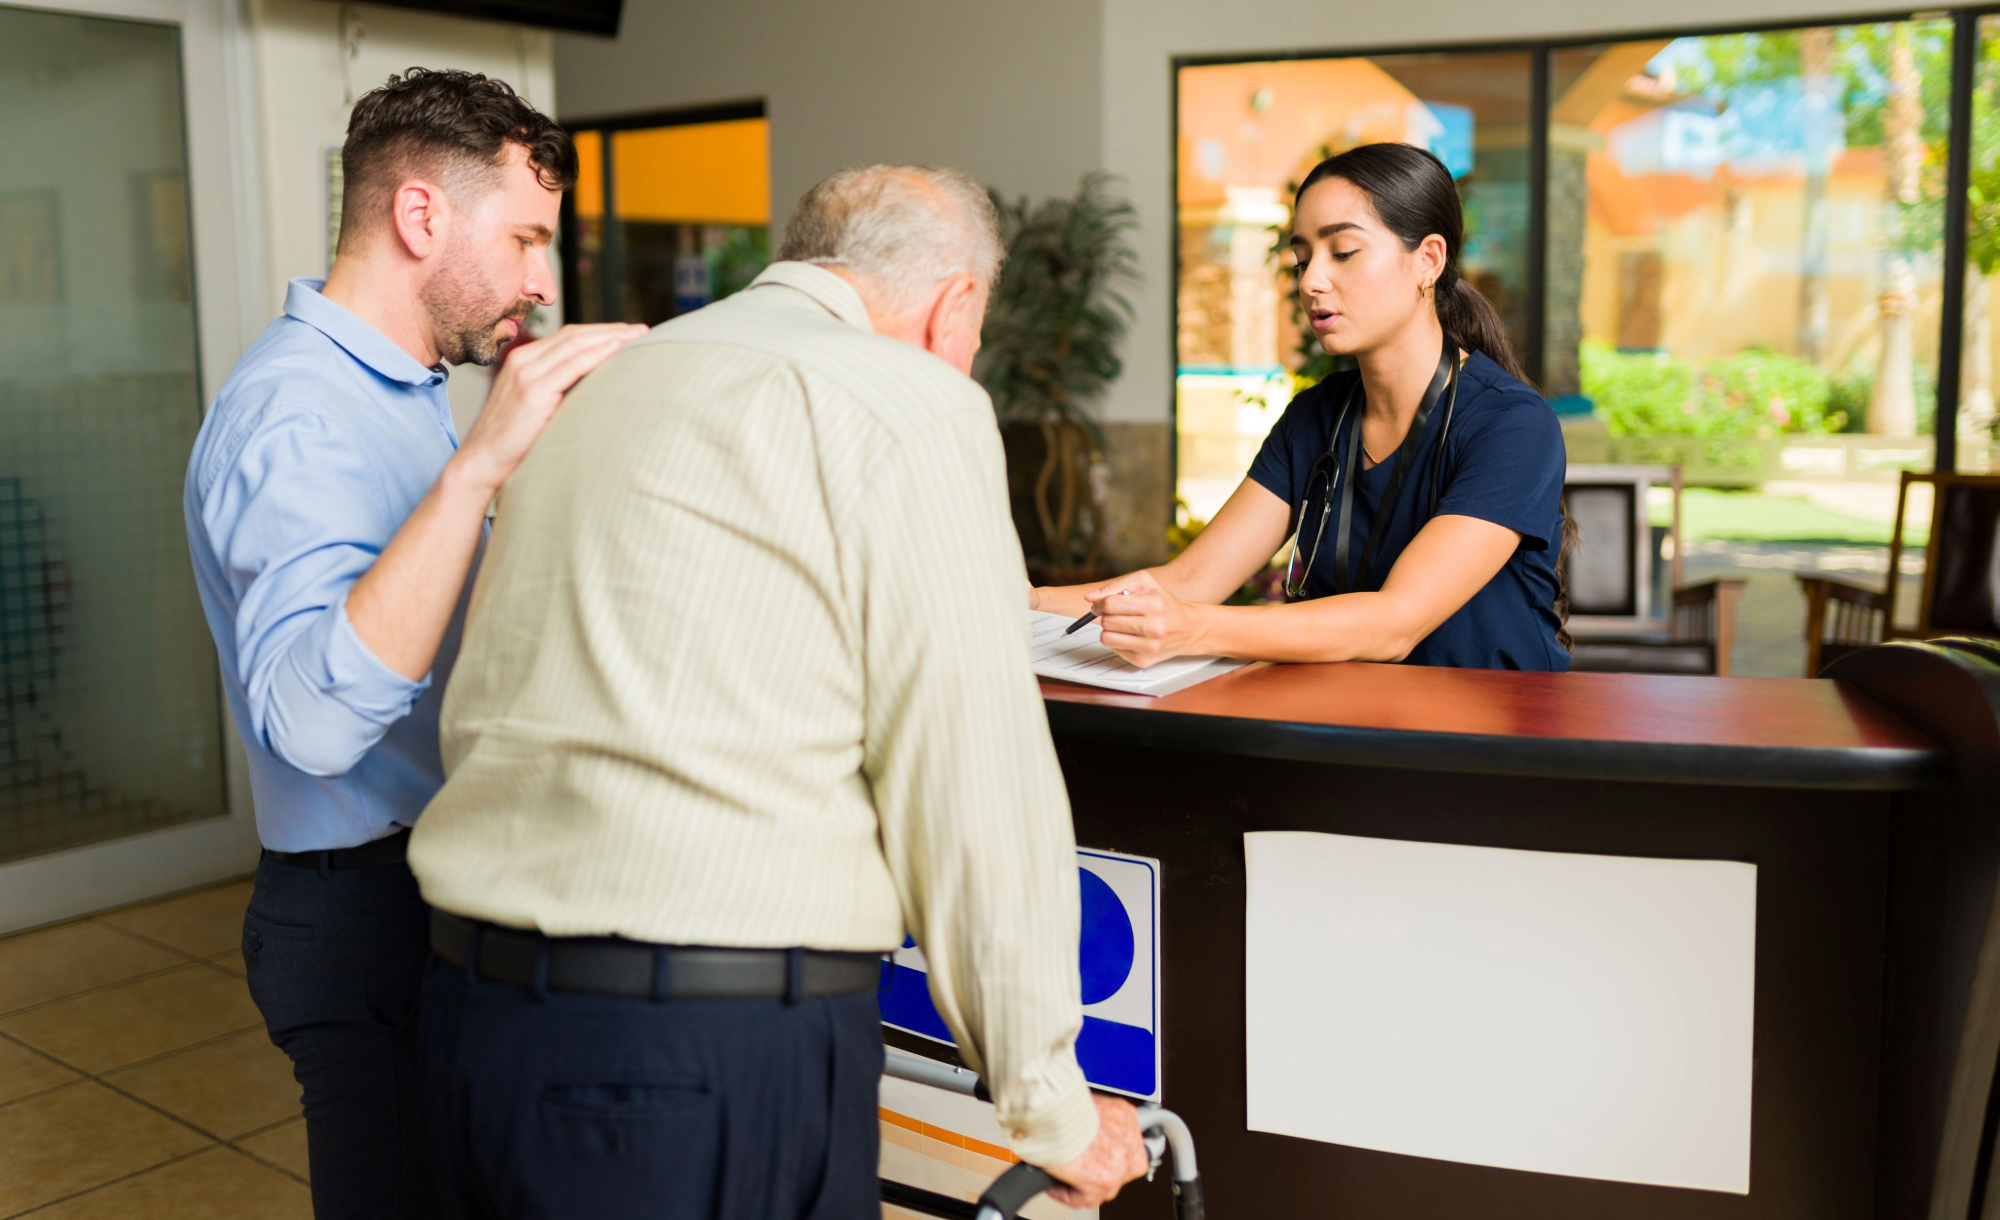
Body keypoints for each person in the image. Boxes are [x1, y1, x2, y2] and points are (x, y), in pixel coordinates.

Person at [406, 165, 1151, 1218]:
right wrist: (1053, 1108)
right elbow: (972, 787)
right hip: (698, 1052)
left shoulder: (597, 379)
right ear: (956, 305)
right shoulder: (908, 401)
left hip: (471, 1016)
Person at [183, 69, 645, 1219]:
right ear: (420, 215)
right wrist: (479, 469)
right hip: (360, 917)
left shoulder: (404, 390)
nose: (542, 282)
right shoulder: (295, 410)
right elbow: (312, 720)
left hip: (435, 891)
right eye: (527, 238)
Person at [1035, 142, 1571, 671]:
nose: (1311, 280)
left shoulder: (1512, 426)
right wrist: (1022, 601)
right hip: (1351, 728)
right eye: (1301, 257)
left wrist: (1193, 627)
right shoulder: (1315, 418)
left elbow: (1396, 623)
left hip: (1488, 743)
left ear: (1428, 260)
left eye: (1343, 252)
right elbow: (1191, 582)